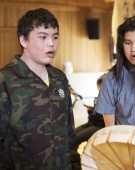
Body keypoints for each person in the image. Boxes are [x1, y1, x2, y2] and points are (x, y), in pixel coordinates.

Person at [0, 8, 81, 169]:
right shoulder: (6, 80)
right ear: (24, 40)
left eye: (55, 37)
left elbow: (69, 132)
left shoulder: (59, 78)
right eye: (43, 37)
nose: (51, 43)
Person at [75, 74, 106, 146]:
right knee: (71, 134)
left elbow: (101, 116)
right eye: (98, 86)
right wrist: (91, 110)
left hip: (99, 126)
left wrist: (94, 112)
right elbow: (96, 115)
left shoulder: (109, 100)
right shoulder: (97, 98)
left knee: (75, 138)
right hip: (92, 123)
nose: (98, 89)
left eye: (100, 87)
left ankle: (74, 156)